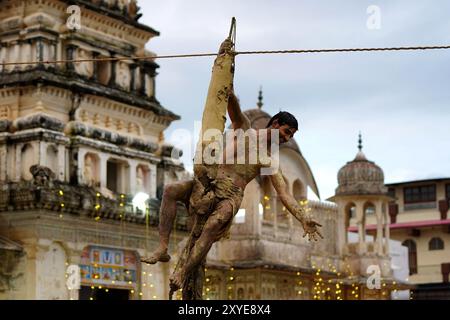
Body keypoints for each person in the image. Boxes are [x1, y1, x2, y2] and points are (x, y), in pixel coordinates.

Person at [141, 89, 323, 291]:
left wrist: (302, 217)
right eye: (287, 132)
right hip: (210, 183)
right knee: (170, 190)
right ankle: (163, 247)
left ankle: (182, 272)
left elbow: (284, 194)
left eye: (291, 135)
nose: (287, 138)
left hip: (230, 196)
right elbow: (234, 109)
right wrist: (228, 83)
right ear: (275, 124)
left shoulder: (270, 159)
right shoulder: (245, 130)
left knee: (212, 226)